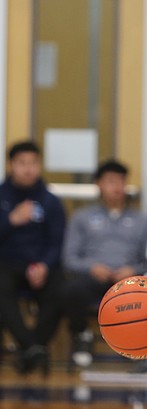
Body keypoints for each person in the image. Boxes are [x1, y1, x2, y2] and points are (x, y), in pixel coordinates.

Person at [61, 159, 147, 367]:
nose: (117, 187)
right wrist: (91, 268)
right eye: (111, 181)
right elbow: (69, 259)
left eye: (121, 181)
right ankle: (81, 337)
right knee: (70, 290)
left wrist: (133, 270)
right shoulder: (82, 217)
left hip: (128, 281)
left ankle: (139, 343)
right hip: (94, 278)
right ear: (99, 184)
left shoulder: (141, 221)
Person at [0, 140, 66, 374]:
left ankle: (30, 350)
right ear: (11, 165)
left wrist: (44, 265)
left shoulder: (50, 201)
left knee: (61, 288)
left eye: (33, 163)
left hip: (40, 265)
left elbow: (57, 242)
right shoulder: (2, 196)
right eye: (22, 163)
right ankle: (31, 347)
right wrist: (10, 221)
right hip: (7, 264)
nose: (28, 168)